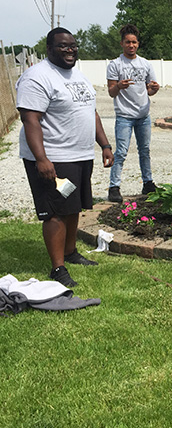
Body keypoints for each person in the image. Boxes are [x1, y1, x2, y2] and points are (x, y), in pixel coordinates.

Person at [17, 27, 114, 287]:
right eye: (62, 46)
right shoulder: (37, 77)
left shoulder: (78, 77)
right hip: (54, 157)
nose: (69, 49)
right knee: (56, 212)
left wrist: (104, 144)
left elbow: (91, 113)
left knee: (73, 207)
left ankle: (70, 253)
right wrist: (41, 158)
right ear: (49, 49)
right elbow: (30, 119)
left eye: (72, 45)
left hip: (79, 156)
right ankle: (57, 268)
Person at [106, 24, 160, 202]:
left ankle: (148, 183)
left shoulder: (145, 64)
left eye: (134, 42)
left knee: (144, 150)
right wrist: (119, 86)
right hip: (124, 116)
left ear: (138, 44)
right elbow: (111, 91)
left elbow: (149, 90)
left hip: (143, 115)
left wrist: (154, 89)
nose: (131, 45)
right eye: (128, 42)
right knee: (121, 151)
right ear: (122, 44)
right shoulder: (115, 65)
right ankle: (114, 187)